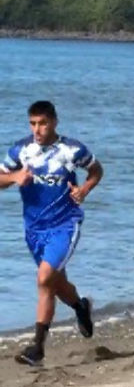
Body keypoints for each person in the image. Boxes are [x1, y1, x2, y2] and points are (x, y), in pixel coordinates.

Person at [0, 101, 104, 366]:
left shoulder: (72, 150)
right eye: (33, 123)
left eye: (43, 123)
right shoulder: (21, 151)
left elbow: (96, 170)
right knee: (55, 284)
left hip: (65, 225)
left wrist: (85, 190)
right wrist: (14, 178)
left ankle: (37, 349)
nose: (37, 129)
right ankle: (81, 307)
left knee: (44, 278)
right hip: (34, 229)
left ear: (54, 121)